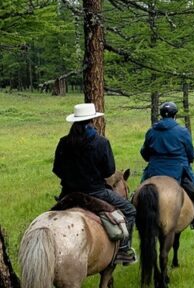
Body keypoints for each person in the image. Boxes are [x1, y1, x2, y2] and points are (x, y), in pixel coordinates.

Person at [53, 103, 137, 265]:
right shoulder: (101, 142)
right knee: (130, 210)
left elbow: (57, 169)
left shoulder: (64, 142)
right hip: (96, 192)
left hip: (68, 193)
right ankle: (123, 250)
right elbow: (109, 171)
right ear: (92, 120)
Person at [140, 102, 194, 229]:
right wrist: (188, 160)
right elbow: (190, 153)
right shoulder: (182, 131)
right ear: (175, 115)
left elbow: (145, 153)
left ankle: (136, 215)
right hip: (178, 170)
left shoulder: (151, 131)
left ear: (161, 115)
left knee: (139, 191)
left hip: (154, 171)